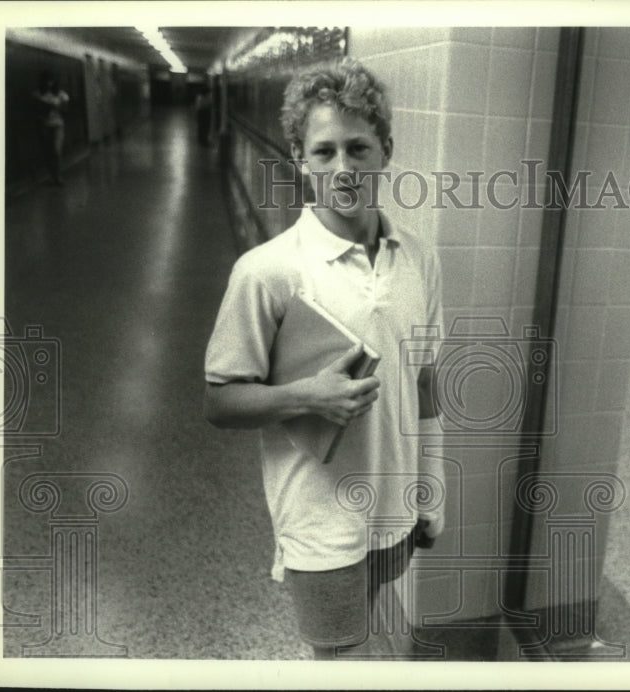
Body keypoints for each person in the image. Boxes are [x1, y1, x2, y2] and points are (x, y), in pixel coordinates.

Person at [203, 57, 445, 659]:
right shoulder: (267, 272)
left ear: (386, 152)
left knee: (365, 637)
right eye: (324, 151)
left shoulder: (419, 259)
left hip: (393, 508)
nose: (343, 168)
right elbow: (220, 401)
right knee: (341, 661)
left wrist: (431, 487)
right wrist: (305, 396)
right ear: (299, 158)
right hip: (320, 521)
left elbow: (423, 379)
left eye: (358, 148)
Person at [34, 70, 70, 185]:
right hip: (44, 125)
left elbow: (66, 109)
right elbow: (35, 110)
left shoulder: (61, 94)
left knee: (56, 150)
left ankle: (58, 176)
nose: (48, 83)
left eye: (50, 81)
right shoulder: (38, 94)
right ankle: (52, 175)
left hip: (58, 125)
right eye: (46, 81)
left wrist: (58, 107)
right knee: (48, 152)